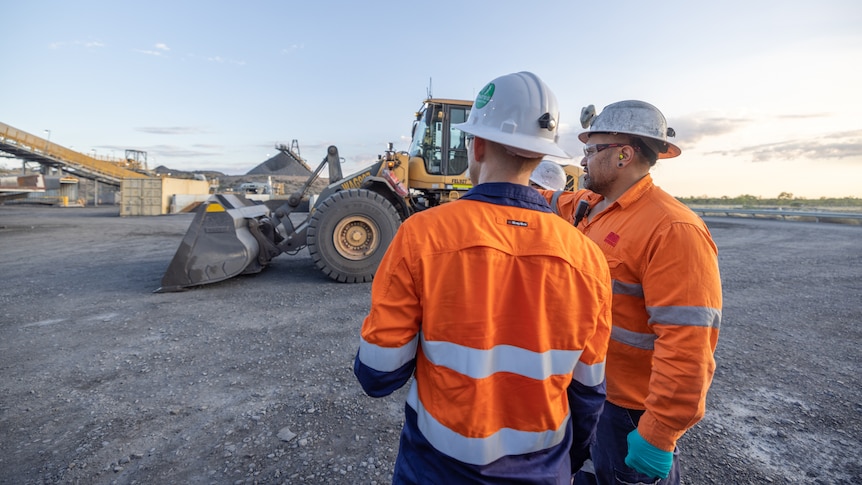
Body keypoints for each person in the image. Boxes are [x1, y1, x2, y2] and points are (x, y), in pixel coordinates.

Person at [353, 71, 614, 484]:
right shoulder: (588, 258)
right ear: (540, 156)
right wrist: (566, 460)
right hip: (543, 471)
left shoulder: (421, 235)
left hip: (435, 469)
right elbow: (587, 395)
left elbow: (378, 374)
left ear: (476, 144)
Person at [542, 100, 722, 485]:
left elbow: (689, 347)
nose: (584, 160)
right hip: (592, 393)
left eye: (591, 150)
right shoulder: (593, 207)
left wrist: (658, 434)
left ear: (623, 155)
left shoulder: (673, 229)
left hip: (630, 412)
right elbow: (549, 200)